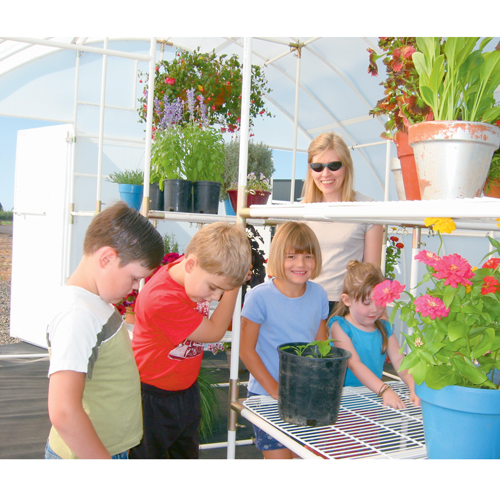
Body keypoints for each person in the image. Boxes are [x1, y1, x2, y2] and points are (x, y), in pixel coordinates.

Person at [45, 201, 165, 459]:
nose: (135, 287)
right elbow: (63, 411)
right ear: (107, 258)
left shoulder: (94, 303)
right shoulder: (78, 315)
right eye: (134, 277)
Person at [129, 221, 252, 459]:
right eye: (215, 288)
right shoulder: (161, 299)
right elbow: (214, 332)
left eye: (223, 290)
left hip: (185, 390)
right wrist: (234, 289)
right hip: (152, 399)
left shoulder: (193, 271)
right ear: (191, 264)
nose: (217, 296)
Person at [240, 221, 329, 459]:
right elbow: (246, 351)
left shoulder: (319, 294)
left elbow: (321, 346)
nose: (300, 264)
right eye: (291, 256)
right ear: (278, 257)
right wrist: (276, 391)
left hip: (306, 397)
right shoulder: (259, 297)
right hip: (266, 396)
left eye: (308, 256)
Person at [301, 132, 384, 315]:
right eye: (318, 167)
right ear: (310, 170)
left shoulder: (368, 208)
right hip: (304, 303)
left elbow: (371, 275)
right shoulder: (300, 212)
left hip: (345, 307)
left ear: (346, 167)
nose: (326, 173)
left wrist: (381, 323)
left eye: (334, 165)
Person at [329, 260, 420, 408]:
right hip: (341, 400)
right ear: (347, 300)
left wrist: (413, 385)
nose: (374, 309)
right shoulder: (339, 326)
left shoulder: (384, 327)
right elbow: (354, 364)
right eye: (367, 303)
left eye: (380, 302)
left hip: (372, 398)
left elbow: (399, 360)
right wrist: (384, 390)